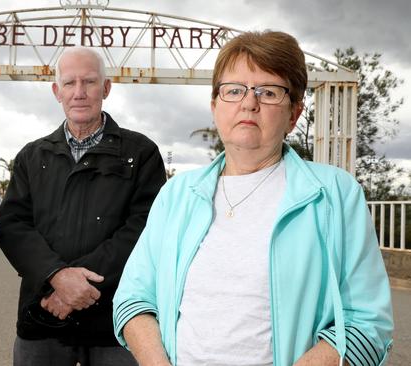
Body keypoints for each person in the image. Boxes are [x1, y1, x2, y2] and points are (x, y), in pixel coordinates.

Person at [113, 30, 394, 366]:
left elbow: (366, 323)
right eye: (234, 90)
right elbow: (134, 300)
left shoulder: (335, 195)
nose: (249, 102)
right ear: (215, 106)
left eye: (269, 91)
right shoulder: (177, 194)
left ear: (294, 113)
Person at [0, 46, 166, 366]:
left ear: (106, 88)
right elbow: (12, 224)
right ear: (57, 91)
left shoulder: (141, 153)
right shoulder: (33, 156)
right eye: (70, 83)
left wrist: (75, 286)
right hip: (44, 318)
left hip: (115, 322)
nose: (79, 92)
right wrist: (56, 275)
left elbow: (145, 227)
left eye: (88, 82)